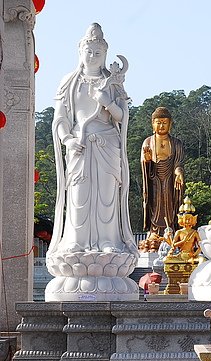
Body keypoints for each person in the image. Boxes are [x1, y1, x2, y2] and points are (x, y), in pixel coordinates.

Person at [48, 23, 136, 254]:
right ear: (80, 52)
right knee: (79, 193)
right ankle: (76, 240)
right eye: (89, 52)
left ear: (105, 54)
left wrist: (107, 101)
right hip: (80, 143)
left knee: (107, 196)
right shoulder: (69, 82)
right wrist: (67, 139)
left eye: (98, 53)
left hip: (107, 142)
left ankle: (109, 241)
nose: (93, 56)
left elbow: (122, 116)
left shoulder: (113, 82)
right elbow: (61, 118)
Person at [141, 107, 185, 238]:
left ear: (170, 124)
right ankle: (154, 231)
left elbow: (178, 162)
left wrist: (179, 173)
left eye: (164, 123)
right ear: (152, 123)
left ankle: (170, 228)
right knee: (155, 205)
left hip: (170, 180)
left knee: (170, 204)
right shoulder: (148, 142)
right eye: (158, 122)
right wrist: (147, 161)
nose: (161, 126)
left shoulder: (176, 143)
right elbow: (144, 163)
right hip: (154, 179)